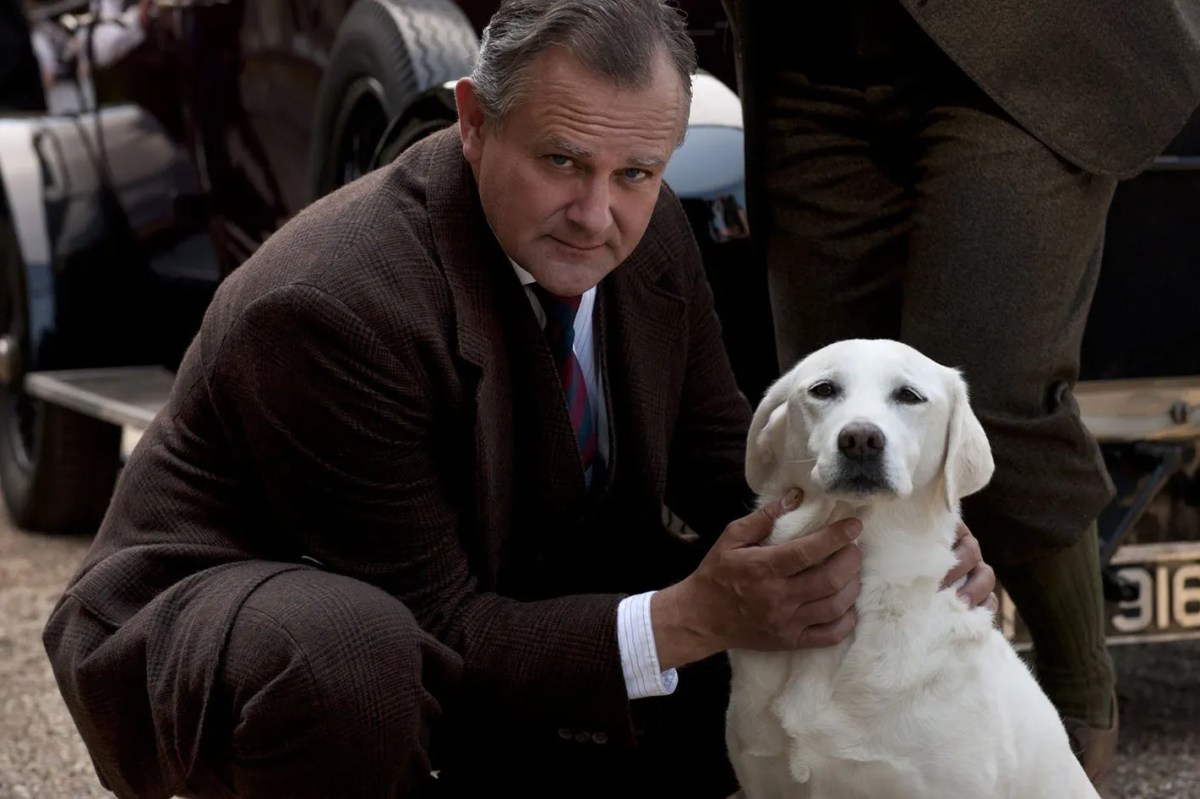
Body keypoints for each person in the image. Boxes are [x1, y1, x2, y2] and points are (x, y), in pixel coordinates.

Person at [42, 2, 996, 797]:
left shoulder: (649, 230)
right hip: (247, 616)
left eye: (636, 173)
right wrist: (691, 615)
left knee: (748, 645)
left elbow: (722, 467)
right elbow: (435, 626)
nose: (599, 214)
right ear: (473, 121)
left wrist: (908, 555)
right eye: (561, 162)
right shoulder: (333, 303)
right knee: (349, 656)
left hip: (494, 581)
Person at [721, 0, 1200, 792]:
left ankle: (1078, 697)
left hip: (1024, 38)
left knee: (989, 382)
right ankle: (829, 727)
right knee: (837, 400)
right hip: (808, 51)